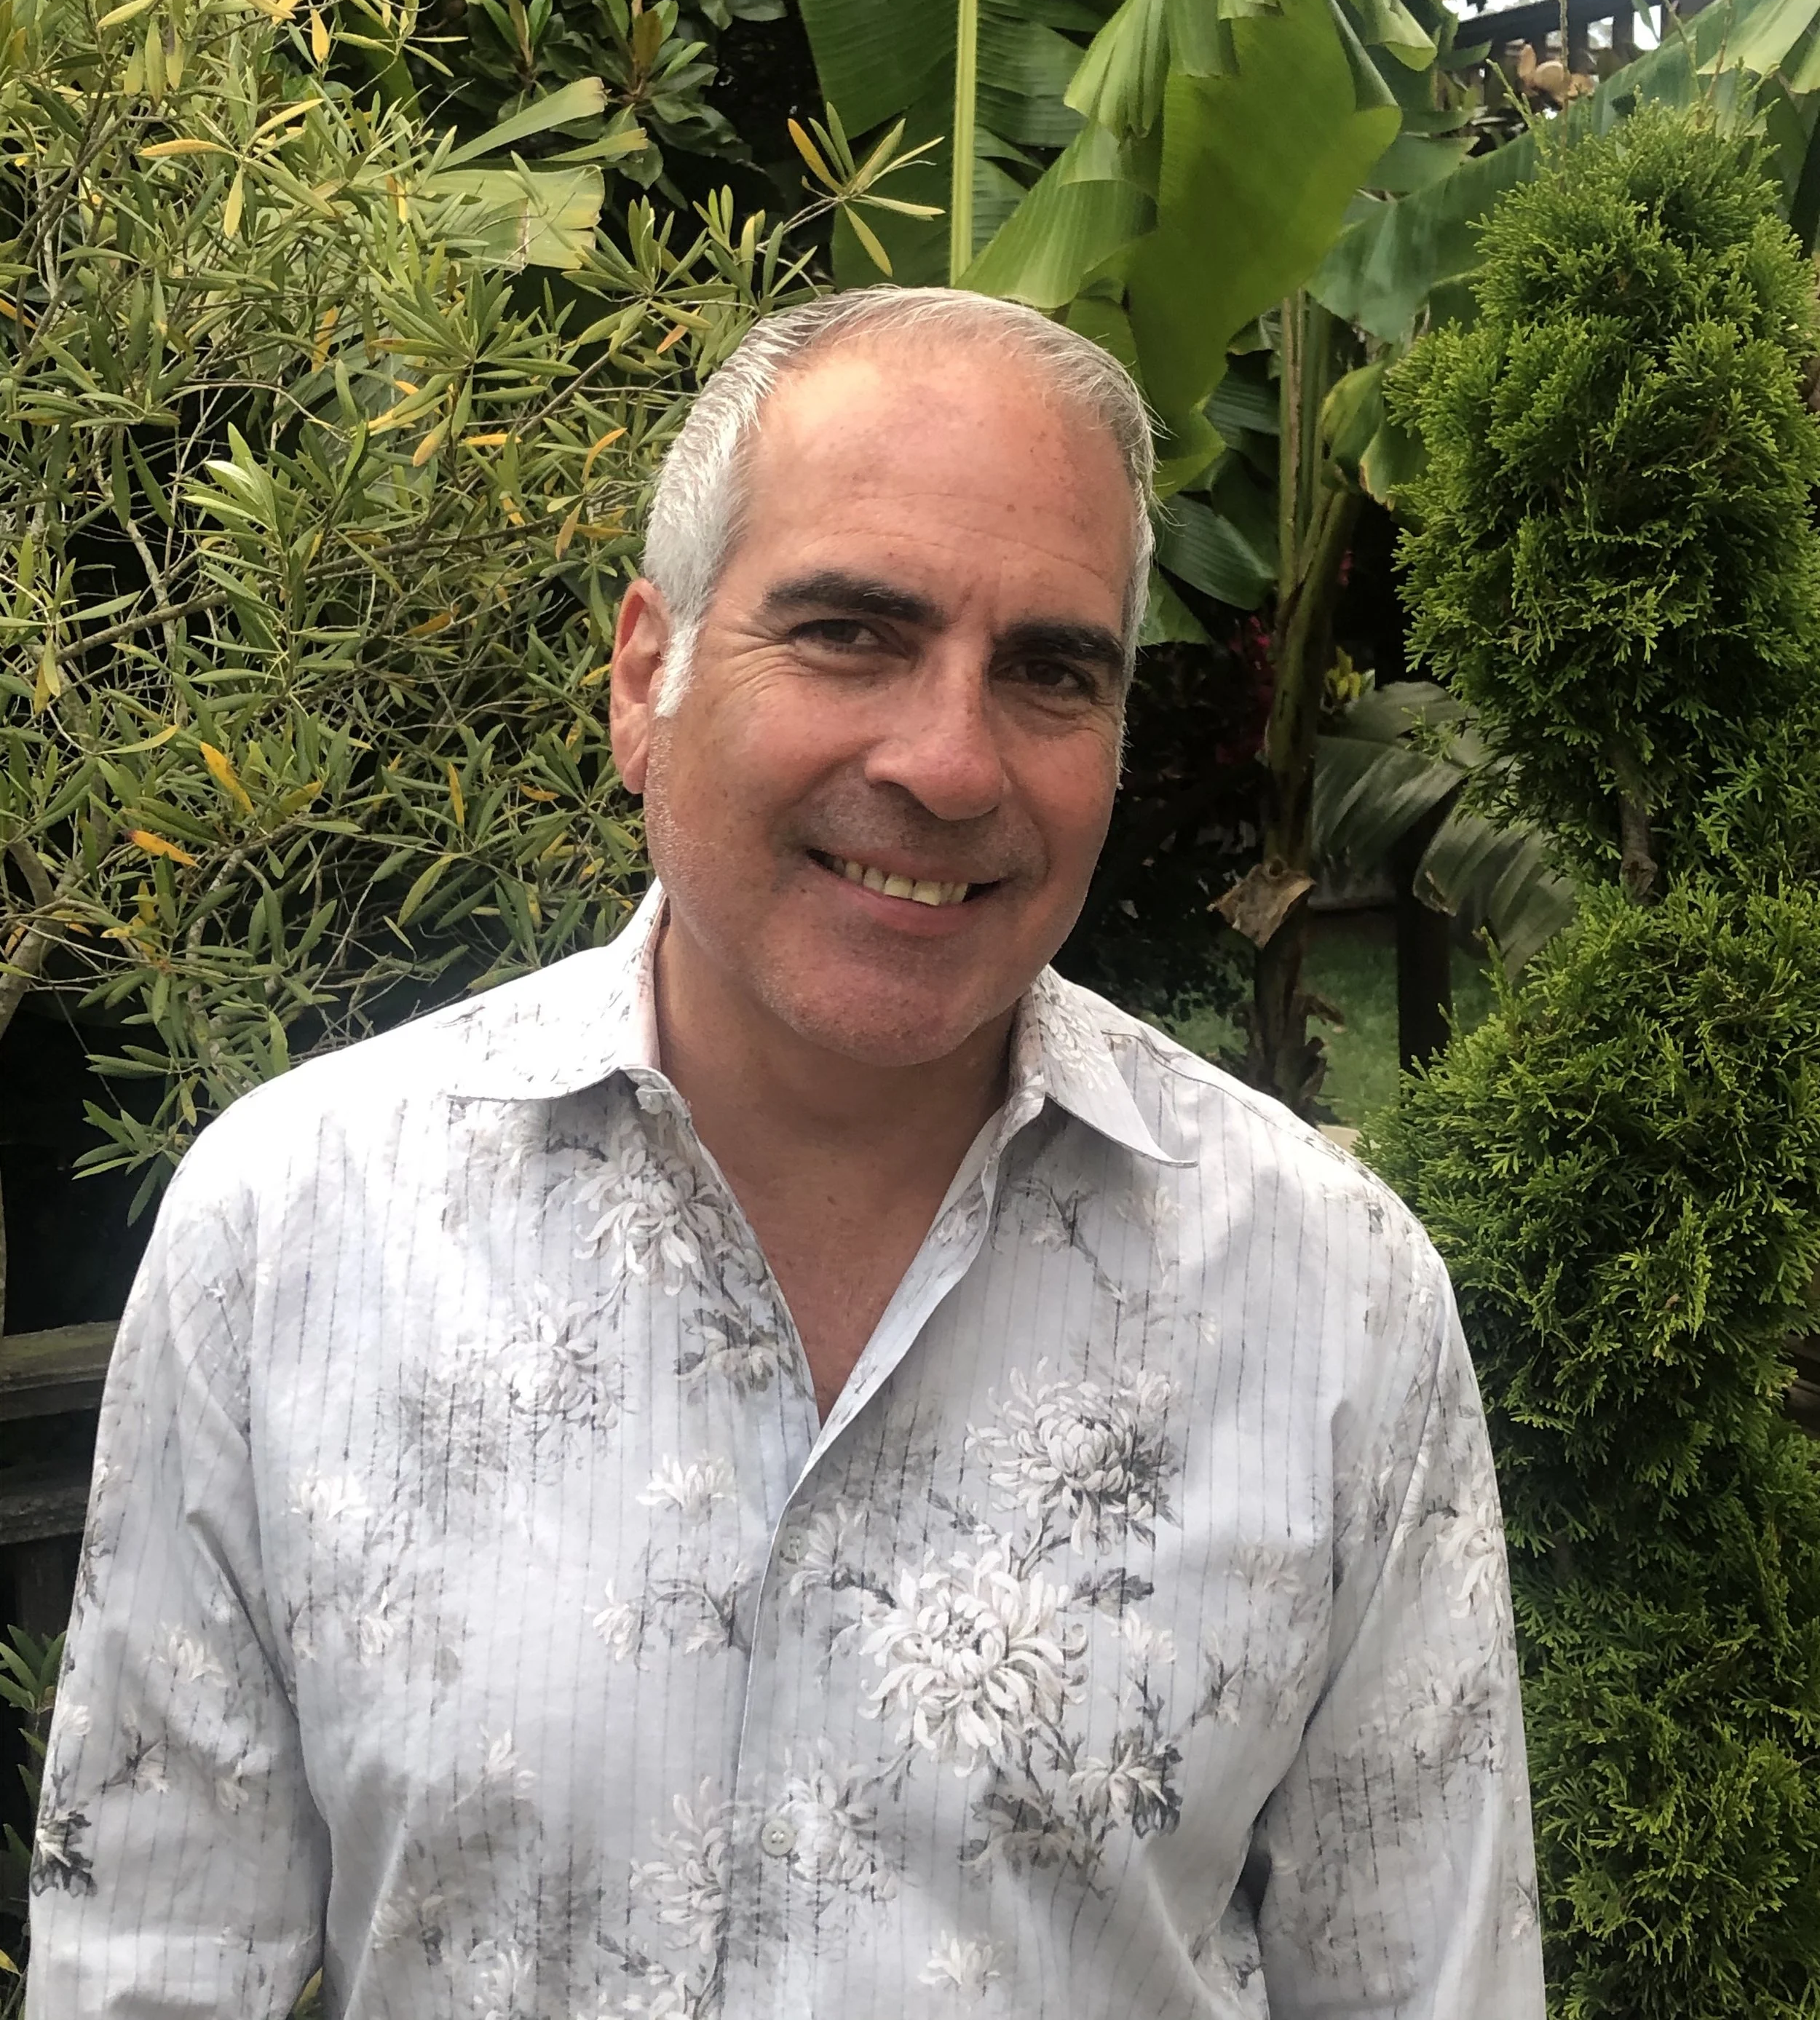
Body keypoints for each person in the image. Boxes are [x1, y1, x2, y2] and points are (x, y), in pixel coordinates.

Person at [26, 288, 1543, 2018]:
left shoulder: (1328, 1304)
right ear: (640, 680)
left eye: (1051, 670)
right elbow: (142, 1965)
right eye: (847, 633)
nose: (949, 758)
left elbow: (1428, 1982)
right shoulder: (293, 1235)